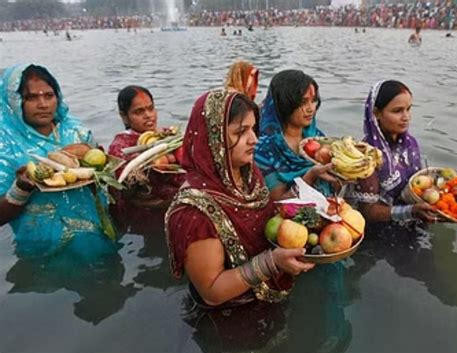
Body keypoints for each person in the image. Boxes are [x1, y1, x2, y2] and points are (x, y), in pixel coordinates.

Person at [166, 89, 314, 308]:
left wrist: (311, 180)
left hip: (267, 297)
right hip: (230, 316)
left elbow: (268, 217)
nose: (254, 139)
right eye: (240, 132)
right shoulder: (194, 212)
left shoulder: (247, 173)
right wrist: (271, 262)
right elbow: (211, 291)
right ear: (213, 138)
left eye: (253, 129)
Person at [0, 63, 117, 259]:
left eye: (48, 95)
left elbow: (104, 186)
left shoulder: (77, 133)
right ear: (13, 101)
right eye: (31, 97)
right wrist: (20, 188)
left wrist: (102, 170)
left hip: (97, 238)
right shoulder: (5, 146)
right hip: (42, 251)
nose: (43, 104)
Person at [348, 80, 436, 223]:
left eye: (408, 109)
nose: (406, 117)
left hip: (416, 220)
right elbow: (367, 211)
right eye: (397, 111)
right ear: (376, 113)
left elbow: (418, 186)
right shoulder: (366, 155)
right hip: (382, 232)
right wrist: (410, 212)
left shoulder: (410, 144)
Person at [254, 69, 337, 201]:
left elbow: (333, 187)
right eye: (303, 102)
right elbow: (278, 203)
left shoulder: (318, 138)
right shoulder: (264, 149)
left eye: (314, 100)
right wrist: (309, 177)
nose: (311, 108)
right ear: (284, 104)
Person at [108, 85, 185, 212]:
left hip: (178, 202)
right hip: (147, 213)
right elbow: (123, 193)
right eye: (139, 112)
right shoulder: (120, 147)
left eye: (151, 108)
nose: (148, 115)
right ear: (124, 116)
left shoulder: (168, 135)